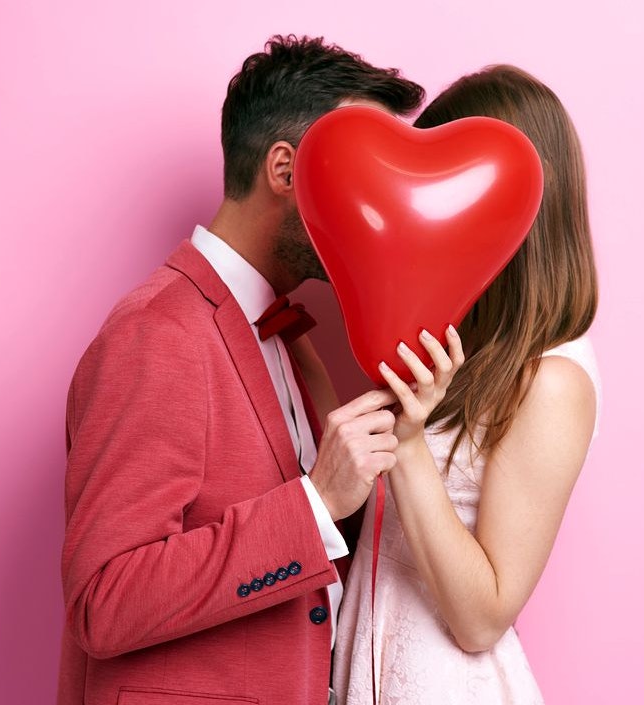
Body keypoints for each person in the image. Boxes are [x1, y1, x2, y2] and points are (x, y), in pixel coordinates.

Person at [58, 36, 423, 705]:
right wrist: (315, 502)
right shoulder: (159, 333)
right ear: (286, 171)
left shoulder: (285, 336)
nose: (379, 207)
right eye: (363, 173)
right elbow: (102, 601)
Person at [332, 65, 603, 704]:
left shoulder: (556, 381)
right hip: (360, 671)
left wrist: (409, 438)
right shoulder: (457, 345)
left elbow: (482, 619)